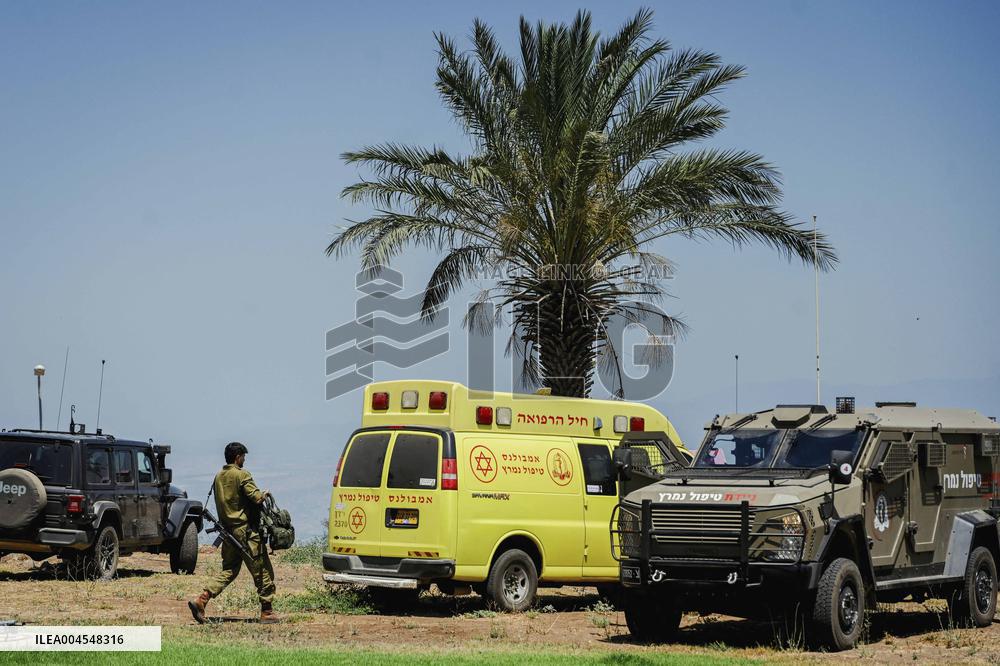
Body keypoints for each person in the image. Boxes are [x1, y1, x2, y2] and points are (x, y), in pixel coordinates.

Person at [188, 442, 278, 624]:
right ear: (237, 457)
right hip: (245, 533)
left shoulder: (218, 476)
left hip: (227, 533)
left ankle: (202, 599)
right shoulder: (242, 474)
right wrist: (265, 494)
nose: (244, 460)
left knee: (229, 570)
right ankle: (267, 612)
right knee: (263, 570)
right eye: (243, 456)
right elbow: (256, 498)